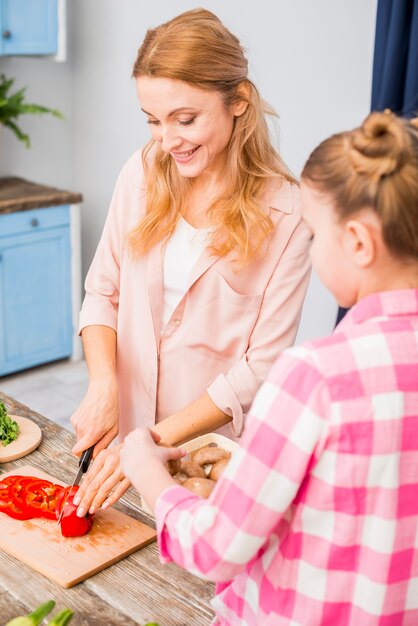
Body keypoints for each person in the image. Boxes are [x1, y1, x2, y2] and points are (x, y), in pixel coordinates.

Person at [120, 110, 418, 626]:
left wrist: (149, 477)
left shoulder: (316, 379)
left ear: (359, 243)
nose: (312, 250)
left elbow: (218, 547)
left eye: (315, 236)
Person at [71, 8, 311, 516]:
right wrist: (103, 386)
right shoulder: (140, 173)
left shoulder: (289, 212)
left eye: (185, 119)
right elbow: (102, 292)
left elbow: (261, 365)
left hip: (206, 455)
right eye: (154, 121)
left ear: (238, 101)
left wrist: (152, 443)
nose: (167, 140)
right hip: (125, 436)